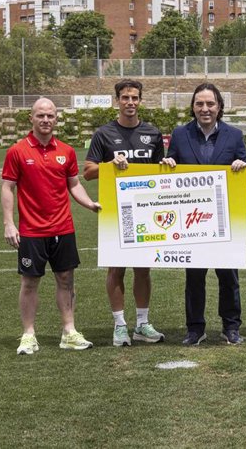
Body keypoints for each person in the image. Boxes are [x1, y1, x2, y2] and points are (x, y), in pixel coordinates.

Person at [2, 98, 100, 355]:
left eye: (50, 116)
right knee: (30, 282)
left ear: (56, 119)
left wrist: (89, 204)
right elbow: (7, 188)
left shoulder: (66, 151)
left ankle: (69, 332)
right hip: (32, 231)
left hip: (63, 228)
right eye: (41, 116)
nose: (46, 120)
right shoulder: (17, 151)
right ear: (31, 119)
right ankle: (28, 335)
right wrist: (9, 223)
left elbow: (74, 184)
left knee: (66, 280)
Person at [84, 79, 175, 347]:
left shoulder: (153, 133)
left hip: (146, 211)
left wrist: (167, 163)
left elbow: (160, 168)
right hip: (115, 212)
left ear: (140, 100)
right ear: (117, 101)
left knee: (143, 269)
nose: (130, 102)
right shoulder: (103, 134)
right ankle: (120, 325)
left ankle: (142, 324)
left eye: (134, 98)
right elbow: (88, 172)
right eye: (125, 98)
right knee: (116, 268)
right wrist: (109, 165)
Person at [166, 82, 246, 346]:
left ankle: (231, 326)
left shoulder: (234, 135)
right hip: (191, 220)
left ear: (219, 107)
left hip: (224, 219)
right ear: (192, 107)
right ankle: (195, 328)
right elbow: (170, 172)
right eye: (200, 104)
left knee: (228, 276)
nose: (205, 109)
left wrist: (242, 165)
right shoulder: (180, 135)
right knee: (194, 277)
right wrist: (168, 164)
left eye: (210, 104)